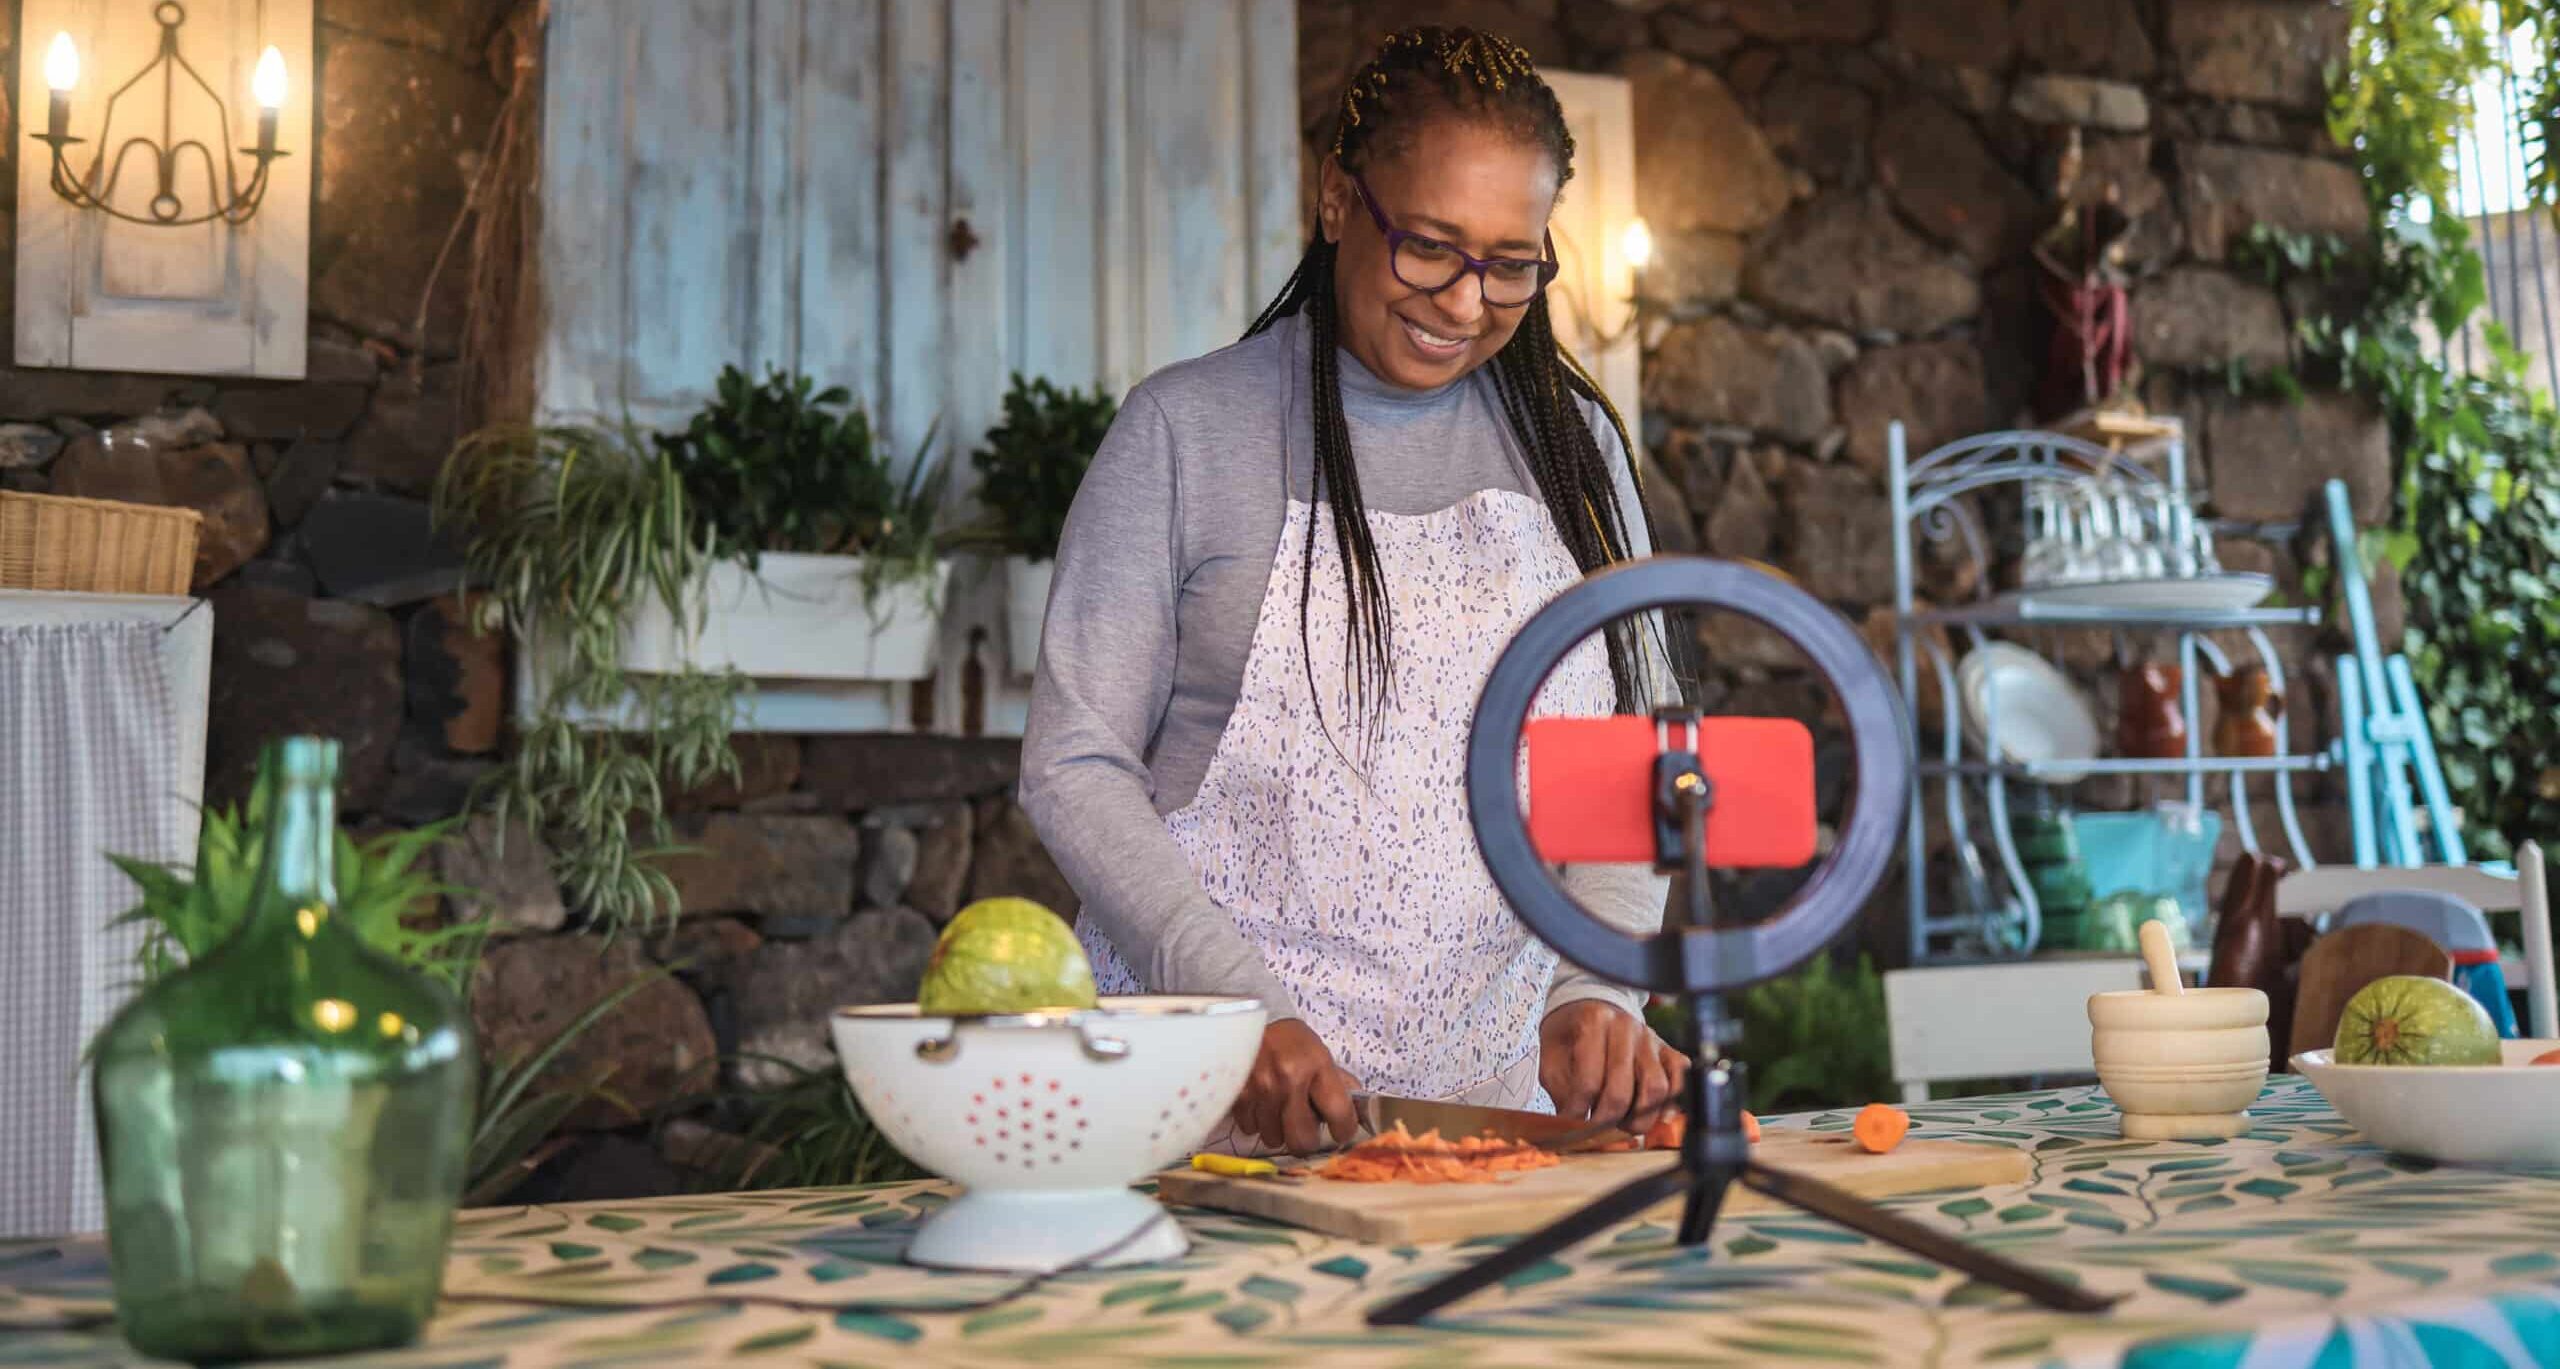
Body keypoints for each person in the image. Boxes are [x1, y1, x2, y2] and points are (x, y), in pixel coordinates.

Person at [1020, 26, 1695, 1156]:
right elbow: (1075, 763)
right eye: (1429, 246)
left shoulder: (1577, 451)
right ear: (1339, 198)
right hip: (1197, 1096)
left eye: (1512, 262)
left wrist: (1596, 988)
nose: (1466, 301)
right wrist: (1238, 1010)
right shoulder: (1188, 430)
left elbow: (1637, 750)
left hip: (1486, 1128)